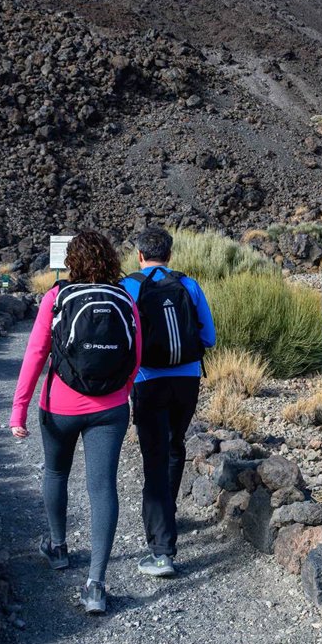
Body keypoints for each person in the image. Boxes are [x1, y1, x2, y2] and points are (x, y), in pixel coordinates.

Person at [9, 230, 141, 615]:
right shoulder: (125, 297)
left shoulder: (56, 297)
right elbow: (136, 356)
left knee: (56, 473)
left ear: (72, 261)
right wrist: (120, 392)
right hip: (110, 410)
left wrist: (18, 410)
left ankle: (58, 548)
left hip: (59, 407)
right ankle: (96, 585)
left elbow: (36, 354)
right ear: (111, 260)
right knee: (103, 488)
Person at [121, 226, 216, 577]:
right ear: (170, 255)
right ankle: (167, 514)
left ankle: (162, 550)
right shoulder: (188, 285)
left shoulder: (127, 287)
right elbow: (209, 337)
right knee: (175, 446)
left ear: (139, 256)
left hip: (147, 381)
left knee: (155, 457)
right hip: (187, 380)